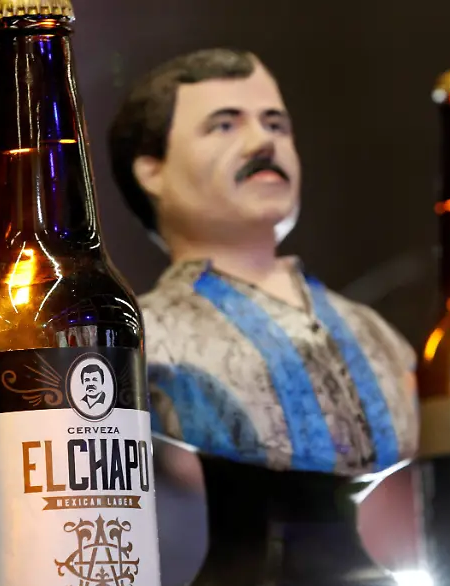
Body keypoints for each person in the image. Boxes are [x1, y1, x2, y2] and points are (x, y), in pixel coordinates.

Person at [107, 48, 420, 489]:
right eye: (224, 125)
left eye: (276, 125)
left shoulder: (377, 334)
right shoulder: (141, 343)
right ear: (152, 171)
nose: (262, 143)